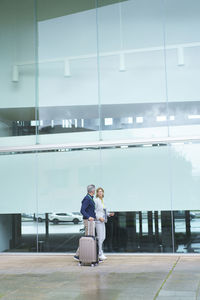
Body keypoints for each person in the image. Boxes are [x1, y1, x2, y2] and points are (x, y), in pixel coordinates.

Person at [73, 184, 96, 261]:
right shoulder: (87, 198)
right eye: (94, 190)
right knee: (88, 238)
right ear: (92, 191)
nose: (95, 191)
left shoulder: (90, 198)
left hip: (91, 221)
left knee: (90, 238)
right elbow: (82, 210)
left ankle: (89, 254)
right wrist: (89, 217)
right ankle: (78, 254)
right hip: (88, 221)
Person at [95, 187, 115, 260]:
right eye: (99, 192)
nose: (100, 193)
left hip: (103, 221)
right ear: (97, 193)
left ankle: (100, 252)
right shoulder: (96, 201)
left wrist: (109, 214)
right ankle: (99, 253)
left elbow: (104, 211)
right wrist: (98, 217)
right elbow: (94, 211)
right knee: (100, 237)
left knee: (103, 237)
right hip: (98, 221)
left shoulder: (103, 201)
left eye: (101, 191)